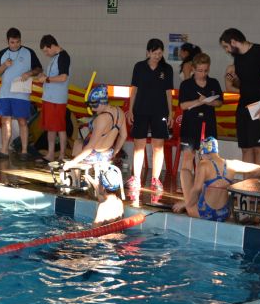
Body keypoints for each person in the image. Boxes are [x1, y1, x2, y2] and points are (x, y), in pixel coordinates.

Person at [220, 28, 260, 174]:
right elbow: (246, 82)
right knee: (246, 147)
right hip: (244, 104)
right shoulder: (238, 58)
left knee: (259, 147)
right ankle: (248, 188)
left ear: (233, 42)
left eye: (226, 47)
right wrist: (233, 79)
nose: (227, 51)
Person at [127, 38, 174, 203]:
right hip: (140, 110)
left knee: (158, 147)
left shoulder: (166, 69)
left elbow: (169, 92)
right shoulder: (139, 67)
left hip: (159, 111)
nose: (158, 57)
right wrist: (130, 109)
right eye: (155, 53)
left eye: (160, 54)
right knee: (139, 146)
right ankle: (136, 178)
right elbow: (134, 89)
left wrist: (171, 112)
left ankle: (155, 179)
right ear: (148, 52)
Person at [173, 137, 260, 221]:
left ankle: (190, 206)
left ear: (204, 153)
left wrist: (185, 204)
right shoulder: (232, 164)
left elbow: (197, 190)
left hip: (204, 214)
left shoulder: (204, 164)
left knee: (185, 172)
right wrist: (243, 184)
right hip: (223, 215)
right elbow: (259, 168)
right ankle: (233, 214)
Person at [0, 28, 42, 160]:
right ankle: (4, 151)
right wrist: (4, 66)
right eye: (12, 42)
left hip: (21, 94)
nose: (15, 45)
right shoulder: (2, 53)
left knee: (22, 121)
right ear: (7, 41)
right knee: (5, 122)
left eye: (18, 42)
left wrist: (29, 73)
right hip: (5, 94)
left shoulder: (28, 52)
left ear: (21, 40)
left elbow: (39, 69)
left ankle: (24, 151)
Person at [178, 53, 223, 180]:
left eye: (205, 71)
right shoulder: (186, 85)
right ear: (193, 68)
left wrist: (209, 101)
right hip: (190, 125)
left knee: (207, 158)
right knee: (187, 158)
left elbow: (219, 102)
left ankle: (203, 188)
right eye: (199, 71)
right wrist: (199, 101)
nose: (203, 74)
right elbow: (182, 105)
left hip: (208, 125)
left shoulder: (213, 83)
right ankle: (187, 190)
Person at [64, 85, 127, 171]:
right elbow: (123, 135)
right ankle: (95, 177)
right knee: (78, 142)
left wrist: (73, 162)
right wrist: (115, 153)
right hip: (108, 153)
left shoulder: (101, 119)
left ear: (102, 102)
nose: (93, 109)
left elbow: (90, 147)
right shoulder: (120, 112)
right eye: (90, 106)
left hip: (95, 155)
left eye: (94, 105)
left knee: (77, 143)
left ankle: (76, 179)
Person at [37, 35, 71, 163]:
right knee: (50, 128)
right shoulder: (54, 58)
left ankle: (62, 155)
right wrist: (44, 76)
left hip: (57, 99)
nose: (46, 54)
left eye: (46, 50)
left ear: (52, 46)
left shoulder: (63, 56)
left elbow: (63, 77)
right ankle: (51, 154)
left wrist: (47, 79)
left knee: (60, 127)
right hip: (49, 97)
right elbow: (52, 77)